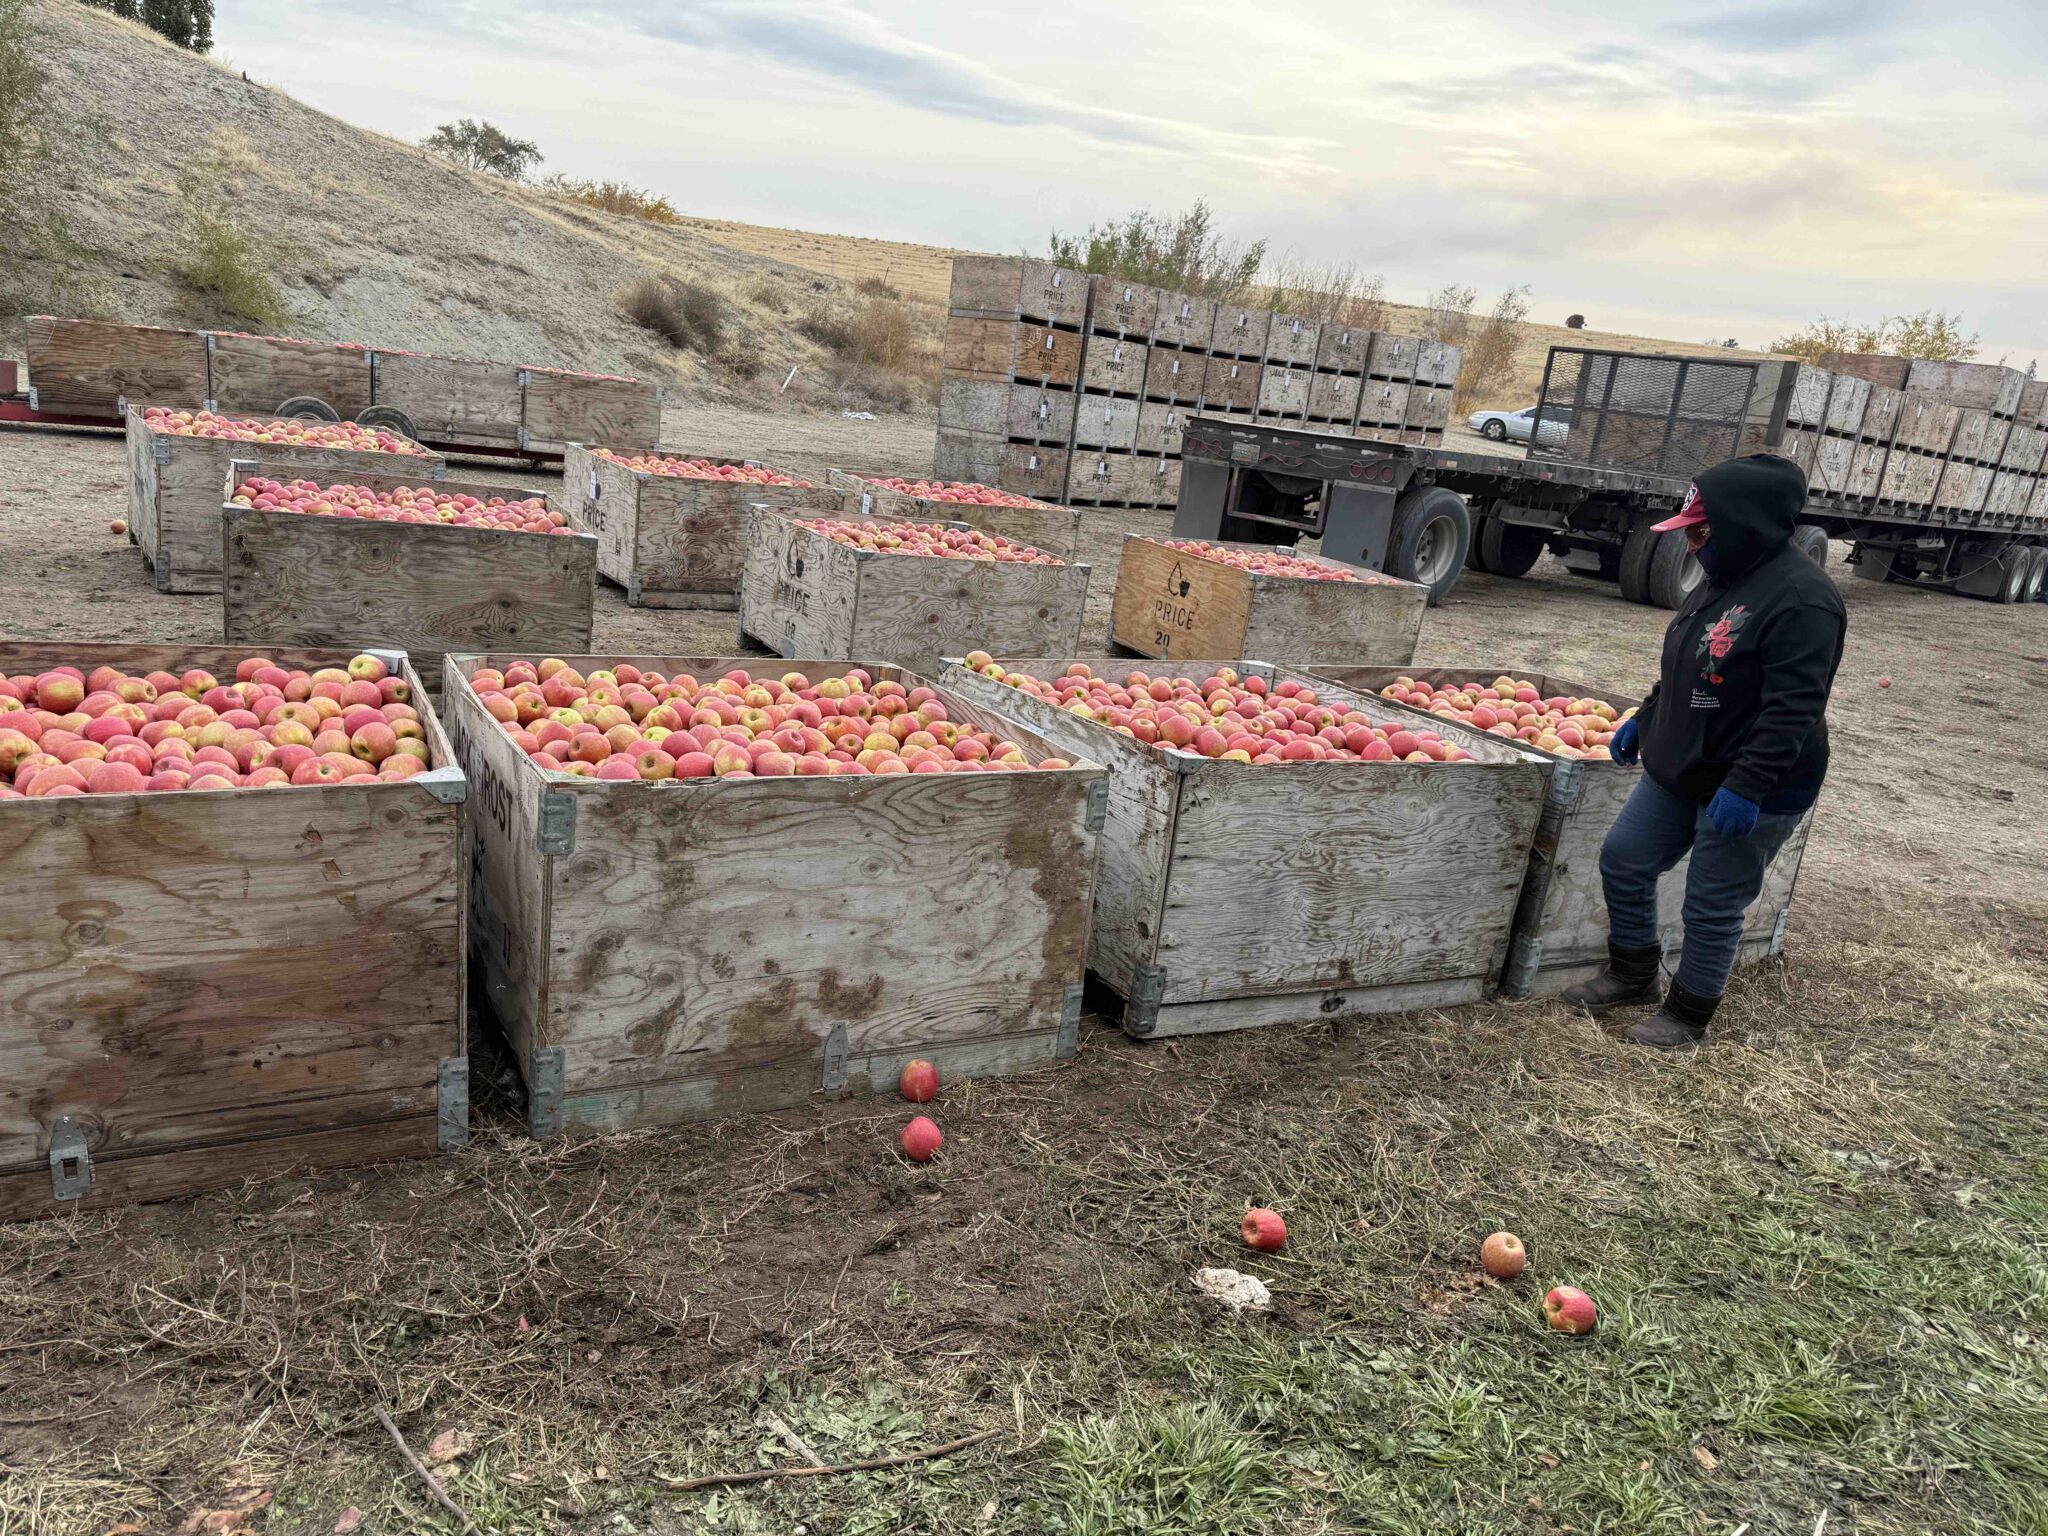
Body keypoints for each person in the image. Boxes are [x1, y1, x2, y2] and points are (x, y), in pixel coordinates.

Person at [1563, 454, 1846, 1049]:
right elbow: (1692, 659)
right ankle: (1632, 973)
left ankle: (1688, 1016)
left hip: (1753, 781)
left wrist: (1748, 785)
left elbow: (1792, 708)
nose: (1692, 541)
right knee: (1625, 858)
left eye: (1702, 528)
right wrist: (1648, 713)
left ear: (1747, 524)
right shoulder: (1725, 576)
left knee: (1713, 903)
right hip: (1684, 764)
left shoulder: (1804, 601)